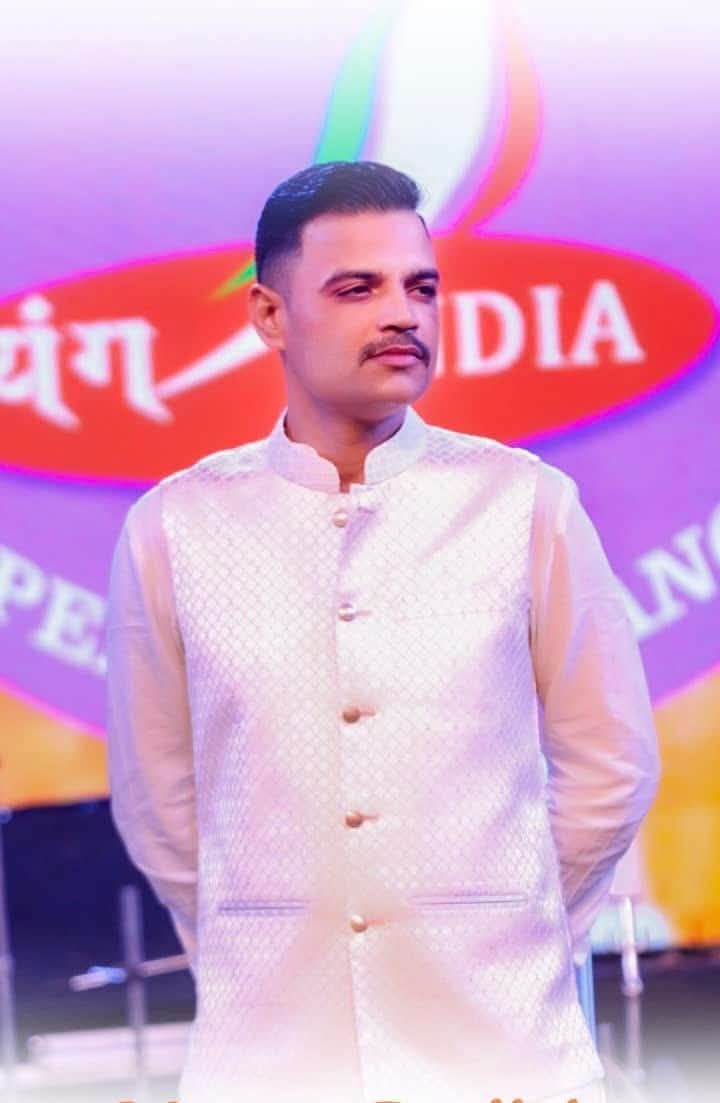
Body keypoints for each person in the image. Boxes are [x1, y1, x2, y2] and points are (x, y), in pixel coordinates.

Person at [106, 161, 660, 1103]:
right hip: (271, 1057)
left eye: (422, 287)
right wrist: (260, 939)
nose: (403, 314)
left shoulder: (524, 503)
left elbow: (612, 765)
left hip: (502, 1054)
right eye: (357, 288)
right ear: (270, 315)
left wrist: (510, 928)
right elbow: (160, 801)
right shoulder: (176, 527)